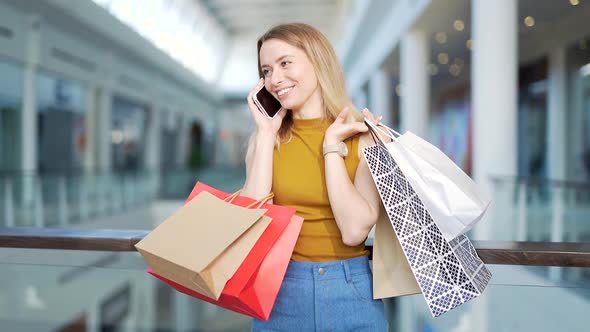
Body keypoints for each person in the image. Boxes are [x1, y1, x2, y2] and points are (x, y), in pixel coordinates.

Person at [242, 23, 388, 331]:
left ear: (317, 61)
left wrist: (332, 147)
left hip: (351, 290)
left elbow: (353, 232)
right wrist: (266, 134)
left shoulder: (364, 137)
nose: (274, 79)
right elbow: (248, 221)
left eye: (285, 63)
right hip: (279, 291)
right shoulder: (267, 140)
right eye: (266, 70)